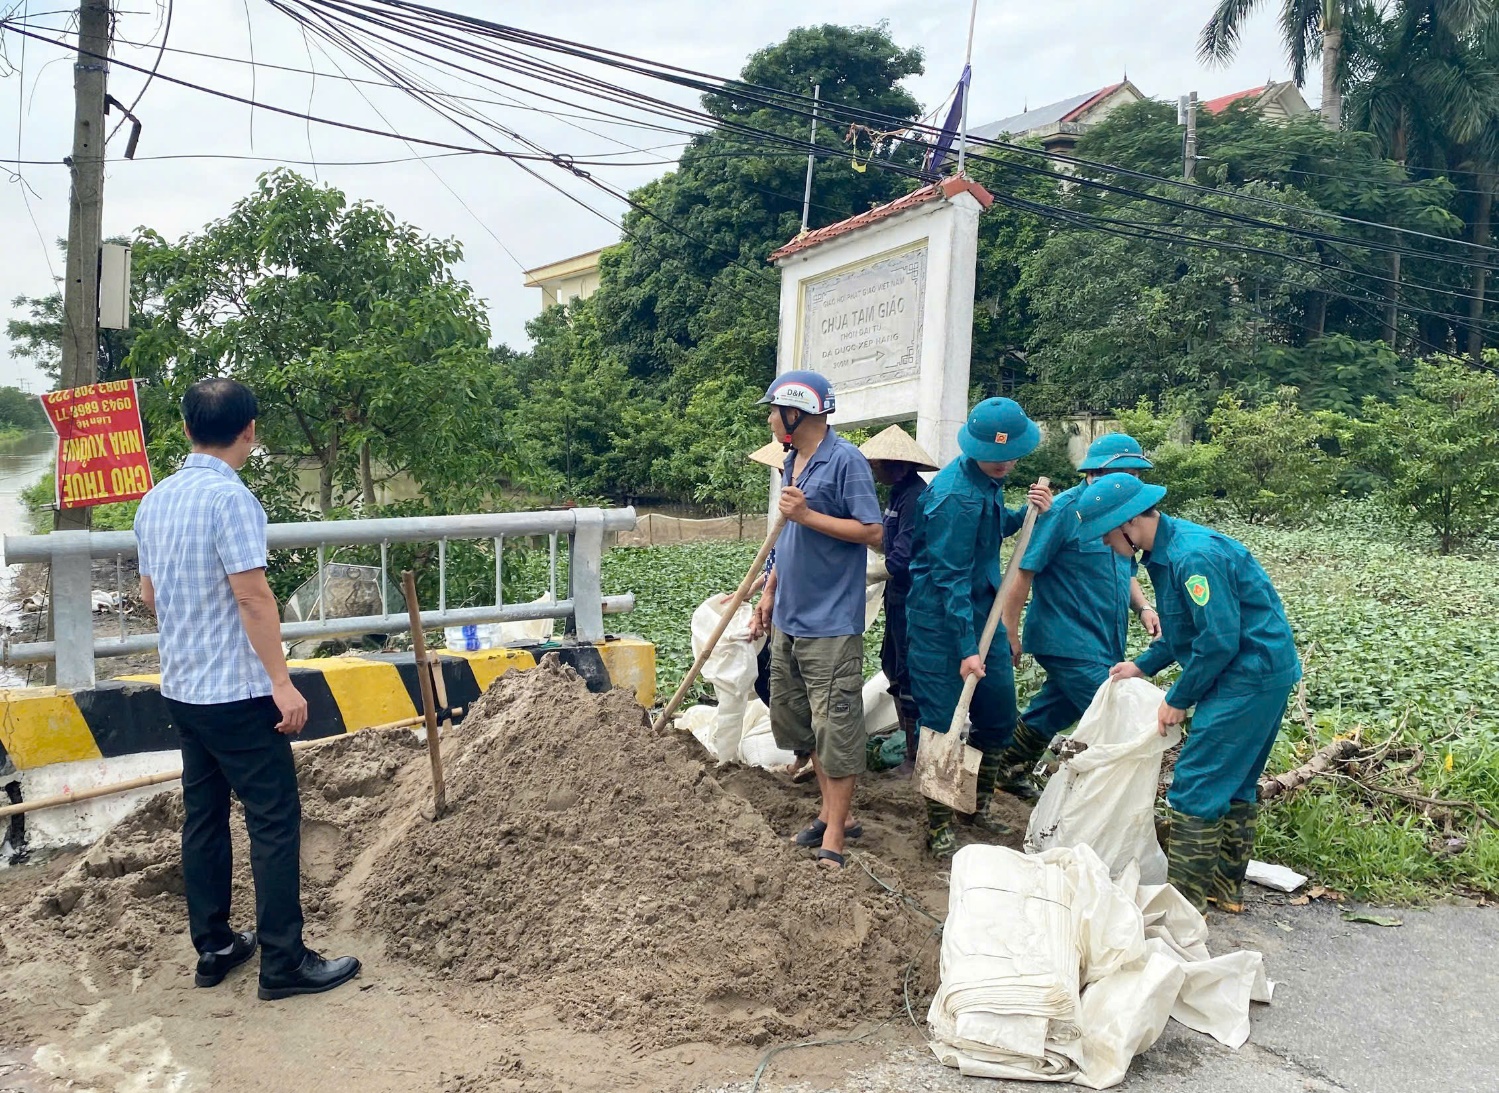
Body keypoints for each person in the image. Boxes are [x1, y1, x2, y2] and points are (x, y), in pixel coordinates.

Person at [134, 379, 361, 999]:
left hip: (183, 687)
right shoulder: (231, 500)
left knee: (204, 817)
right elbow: (252, 596)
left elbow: (150, 596)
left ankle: (214, 948)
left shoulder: (154, 500)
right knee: (273, 819)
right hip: (236, 692)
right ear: (250, 430)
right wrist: (282, 683)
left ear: (187, 429)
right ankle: (283, 962)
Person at [1074, 473, 1301, 914]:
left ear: (1129, 524)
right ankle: (1224, 892)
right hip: (1255, 670)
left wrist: (1178, 698)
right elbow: (1185, 629)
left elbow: (1217, 641)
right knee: (1235, 783)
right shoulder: (1167, 553)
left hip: (1248, 675)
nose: (1104, 544)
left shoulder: (1193, 558)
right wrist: (1142, 665)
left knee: (1195, 785)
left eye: (1106, 533)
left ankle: (1183, 908)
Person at [905, 398, 1053, 858]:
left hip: (984, 613)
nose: (1005, 463)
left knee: (999, 716)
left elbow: (991, 530)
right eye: (996, 455)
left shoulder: (988, 481)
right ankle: (938, 825)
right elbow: (950, 579)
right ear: (974, 448)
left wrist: (1025, 514)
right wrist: (968, 649)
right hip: (941, 623)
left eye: (1012, 455)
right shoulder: (953, 497)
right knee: (941, 722)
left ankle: (977, 804)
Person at [748, 371, 884, 870]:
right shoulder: (792, 460)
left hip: (830, 622)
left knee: (836, 728)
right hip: (790, 614)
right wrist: (770, 590)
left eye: (773, 410)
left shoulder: (846, 461)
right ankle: (832, 814)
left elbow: (873, 532)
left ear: (796, 413)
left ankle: (835, 837)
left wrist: (808, 516)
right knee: (802, 723)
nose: (769, 418)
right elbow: (788, 538)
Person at [996, 434, 1162, 798]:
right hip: (1066, 639)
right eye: (1126, 474)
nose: (1132, 482)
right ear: (1095, 473)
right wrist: (1010, 630)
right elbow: (1024, 572)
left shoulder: (1124, 514)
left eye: (1137, 475)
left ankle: (1006, 768)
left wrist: (1144, 607)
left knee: (1055, 708)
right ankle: (1104, 798)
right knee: (1113, 714)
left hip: (1105, 640)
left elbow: (1126, 572)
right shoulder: (1063, 511)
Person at [858, 425, 940, 776]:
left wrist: (862, 576)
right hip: (897, 595)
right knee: (891, 663)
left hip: (912, 596)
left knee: (907, 670)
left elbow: (902, 558)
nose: (874, 470)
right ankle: (910, 747)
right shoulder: (896, 495)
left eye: (878, 464)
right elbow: (888, 542)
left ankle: (916, 755)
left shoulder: (915, 498)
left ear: (899, 465)